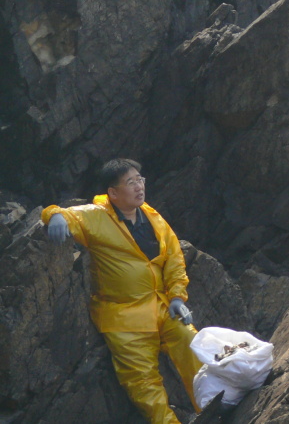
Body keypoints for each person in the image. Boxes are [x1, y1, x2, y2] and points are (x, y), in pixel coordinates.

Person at [41, 159, 202, 424]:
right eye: (131, 182)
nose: (139, 187)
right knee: (143, 382)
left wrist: (176, 297)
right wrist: (54, 215)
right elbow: (64, 213)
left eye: (140, 180)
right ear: (113, 193)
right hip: (123, 317)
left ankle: (212, 407)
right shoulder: (96, 215)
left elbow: (173, 258)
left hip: (162, 305)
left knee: (193, 346)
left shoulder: (152, 216)